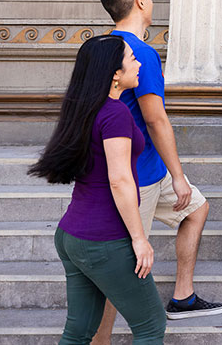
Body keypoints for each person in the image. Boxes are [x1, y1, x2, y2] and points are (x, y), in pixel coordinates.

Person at [88, 0, 222, 341]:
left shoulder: (102, 46)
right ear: (141, 2)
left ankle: (182, 296)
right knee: (123, 267)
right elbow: (155, 118)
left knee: (196, 209)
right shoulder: (140, 53)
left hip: (144, 169)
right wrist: (178, 175)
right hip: (140, 177)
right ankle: (99, 339)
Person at [28, 35, 166, 344]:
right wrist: (139, 239)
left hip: (72, 235)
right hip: (103, 240)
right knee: (151, 326)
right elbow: (119, 180)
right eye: (132, 59)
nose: (139, 63)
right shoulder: (115, 113)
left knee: (78, 333)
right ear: (115, 73)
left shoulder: (87, 108)